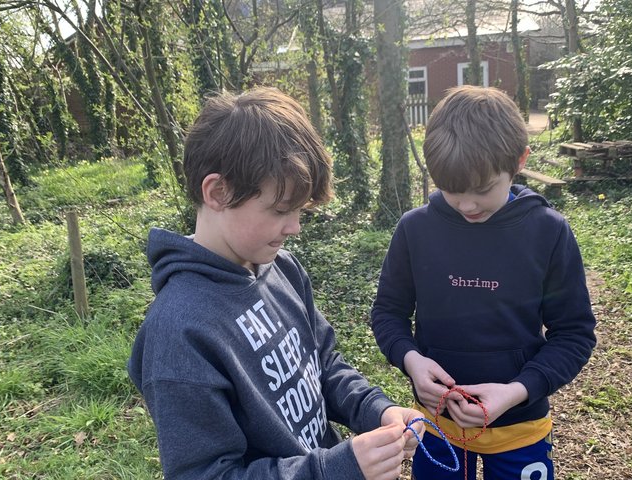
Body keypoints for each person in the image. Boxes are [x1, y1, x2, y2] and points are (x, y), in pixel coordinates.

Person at [128, 87, 424, 480]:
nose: (295, 227)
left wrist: (377, 410)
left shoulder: (282, 268)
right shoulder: (179, 333)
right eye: (281, 210)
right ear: (218, 192)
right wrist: (336, 468)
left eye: (299, 211)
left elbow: (324, 364)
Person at [370, 85, 597, 480]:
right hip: (437, 423)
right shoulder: (415, 230)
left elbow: (574, 334)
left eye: (482, 189)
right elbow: (388, 314)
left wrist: (516, 391)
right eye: (451, 190)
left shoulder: (548, 232)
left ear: (519, 161)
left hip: (520, 426)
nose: (467, 205)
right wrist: (412, 362)